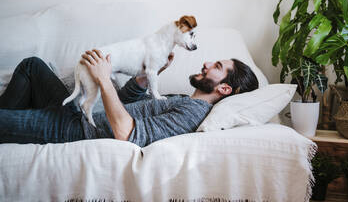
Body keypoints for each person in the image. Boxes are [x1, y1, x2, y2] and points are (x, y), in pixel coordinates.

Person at [0, 49, 259, 147]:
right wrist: (149, 74)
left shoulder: (193, 113)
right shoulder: (183, 99)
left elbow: (126, 132)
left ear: (224, 88)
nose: (206, 63)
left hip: (73, 129)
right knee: (32, 65)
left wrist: (103, 79)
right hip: (80, 112)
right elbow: (125, 104)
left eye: (217, 67)